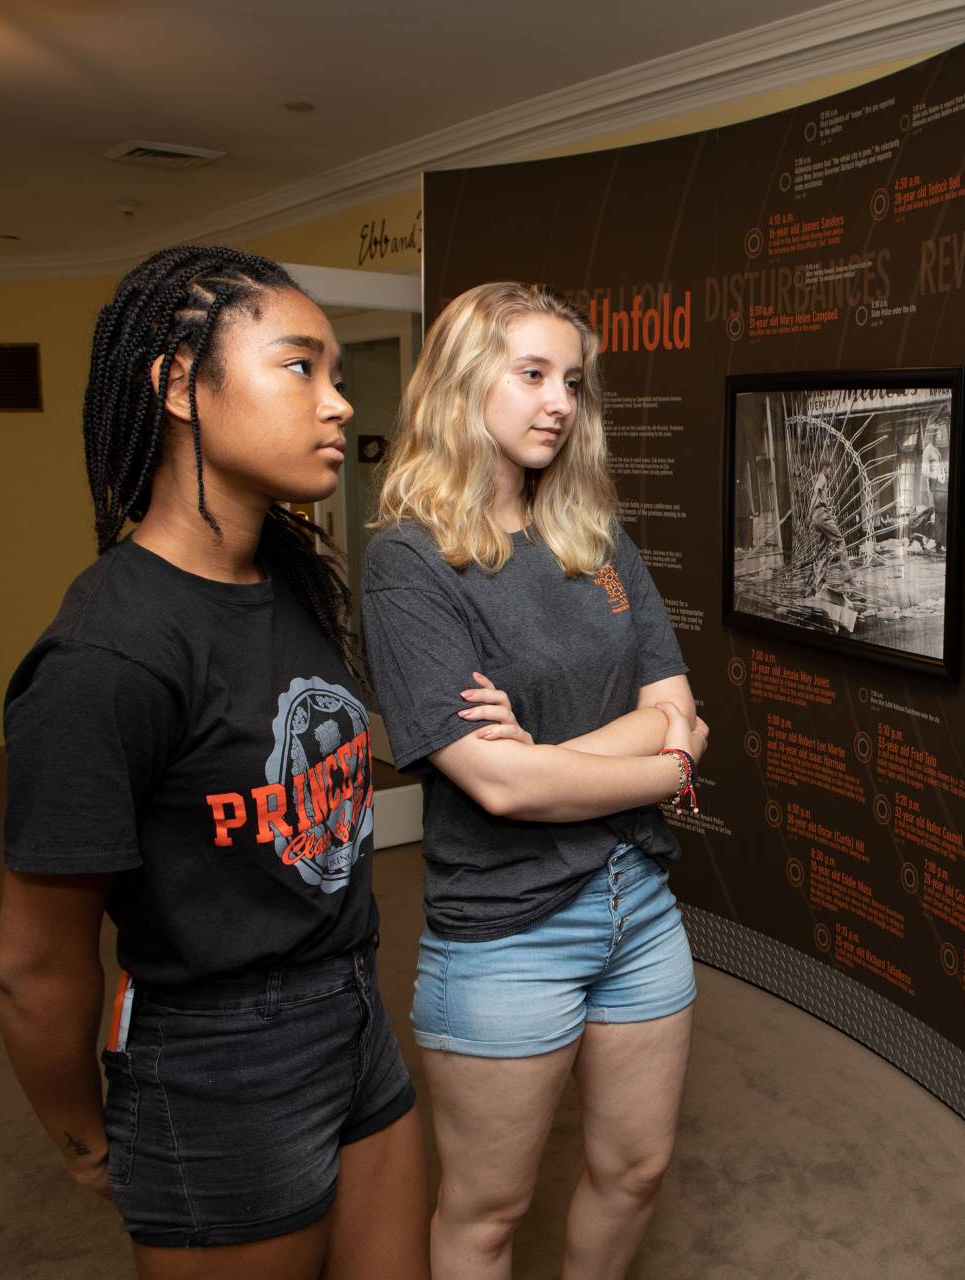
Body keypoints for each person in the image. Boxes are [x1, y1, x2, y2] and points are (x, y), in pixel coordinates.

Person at [0, 245, 460, 1278]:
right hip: (216, 1055)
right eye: (301, 367)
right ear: (176, 385)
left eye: (338, 373)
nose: (338, 403)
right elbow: (34, 966)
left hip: (348, 1004)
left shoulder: (289, 576)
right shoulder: (106, 656)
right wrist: (87, 1141)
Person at [362, 281, 708, 1280]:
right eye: (531, 374)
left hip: (636, 900)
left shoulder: (595, 537)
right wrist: (657, 756)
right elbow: (500, 789)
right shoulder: (411, 565)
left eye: (573, 380)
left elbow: (682, 709)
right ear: (464, 383)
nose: (559, 400)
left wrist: (586, 754)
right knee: (486, 1209)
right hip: (507, 926)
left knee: (636, 1167)